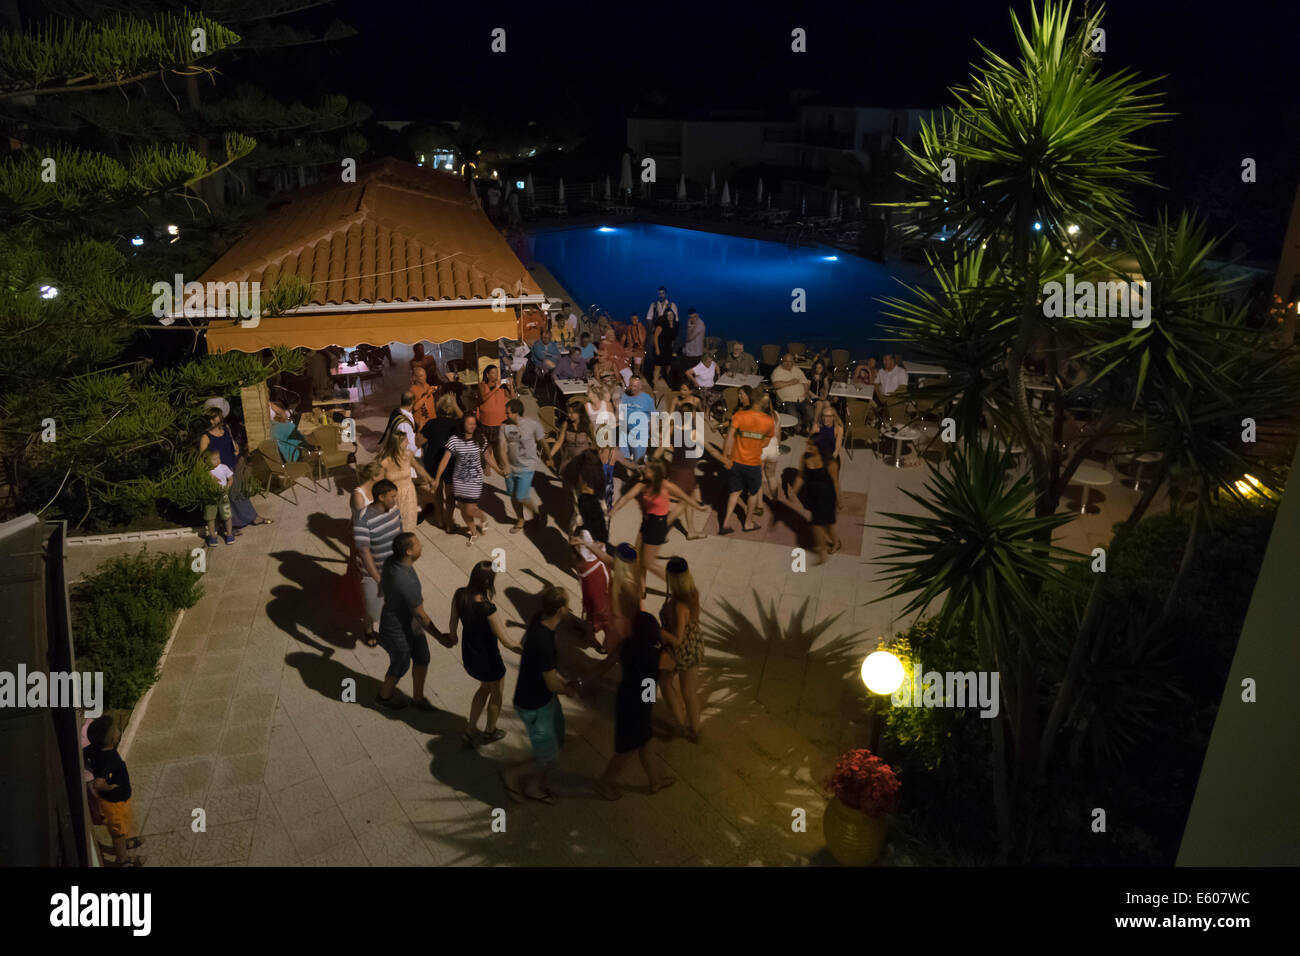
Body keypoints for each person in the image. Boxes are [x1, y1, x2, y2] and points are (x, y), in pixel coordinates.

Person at [500, 586, 581, 805]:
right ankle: (518, 779)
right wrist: (567, 688)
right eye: (567, 604)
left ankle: (539, 770)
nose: (569, 608)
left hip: (542, 698)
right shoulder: (543, 642)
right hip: (535, 704)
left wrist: (560, 682)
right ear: (561, 611)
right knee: (548, 758)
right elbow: (550, 681)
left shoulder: (540, 620)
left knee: (558, 735)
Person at [590, 610, 676, 800]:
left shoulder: (626, 645)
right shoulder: (659, 656)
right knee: (627, 750)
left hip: (626, 697)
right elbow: (669, 664)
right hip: (641, 704)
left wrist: (585, 680)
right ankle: (603, 783)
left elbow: (605, 666)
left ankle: (655, 782)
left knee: (646, 743)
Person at [449, 562, 521, 746]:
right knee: (496, 692)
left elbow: (453, 621)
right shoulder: (488, 609)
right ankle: (490, 731)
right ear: (488, 582)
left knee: (484, 688)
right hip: (488, 658)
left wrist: (453, 636)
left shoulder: (459, 595)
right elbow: (505, 641)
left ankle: (470, 731)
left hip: (470, 654)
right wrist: (526, 651)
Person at [375, 532, 446, 711]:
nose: (421, 546)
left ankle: (418, 698)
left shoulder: (393, 560)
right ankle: (384, 698)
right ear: (408, 552)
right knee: (401, 662)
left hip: (410, 623)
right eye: (418, 545)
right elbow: (422, 616)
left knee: (422, 657)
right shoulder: (405, 582)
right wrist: (441, 637)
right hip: (396, 628)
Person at [611, 459, 706, 588]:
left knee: (649, 563)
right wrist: (613, 510)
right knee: (638, 557)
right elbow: (626, 497)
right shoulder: (642, 484)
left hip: (657, 526)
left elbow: (685, 498)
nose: (644, 469)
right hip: (646, 522)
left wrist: (700, 508)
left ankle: (678, 586)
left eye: (648, 469)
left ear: (655, 473)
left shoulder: (665, 485)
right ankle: (641, 588)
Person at [198, 408, 272, 531]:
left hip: (233, 465)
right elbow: (202, 458)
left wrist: (239, 456)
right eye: (218, 417)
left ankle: (252, 517)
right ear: (211, 420)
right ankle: (231, 526)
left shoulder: (226, 429)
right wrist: (210, 474)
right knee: (227, 498)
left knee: (239, 493)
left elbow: (233, 445)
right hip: (219, 471)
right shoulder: (206, 437)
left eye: (221, 416)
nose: (221, 418)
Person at [84, 715, 144, 865]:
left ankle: (123, 844)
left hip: (118, 800)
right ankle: (122, 858)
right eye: (116, 729)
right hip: (114, 802)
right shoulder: (108, 758)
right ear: (112, 738)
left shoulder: (96, 749)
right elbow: (98, 783)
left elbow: (83, 754)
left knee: (121, 827)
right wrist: (109, 787)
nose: (118, 730)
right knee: (118, 831)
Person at [658, 556, 705, 742]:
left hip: (681, 651)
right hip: (693, 645)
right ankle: (692, 728)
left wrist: (659, 631)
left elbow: (677, 640)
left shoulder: (679, 606)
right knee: (684, 689)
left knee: (673, 686)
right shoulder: (692, 592)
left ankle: (685, 727)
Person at [352, 478, 403, 647]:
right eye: (392, 496)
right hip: (372, 574)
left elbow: (399, 536)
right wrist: (379, 580)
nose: (395, 500)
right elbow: (364, 554)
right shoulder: (363, 519)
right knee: (373, 611)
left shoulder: (394, 510)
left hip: (393, 569)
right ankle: (368, 629)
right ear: (381, 497)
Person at [720, 386, 774, 534]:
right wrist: (757, 444)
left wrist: (725, 456)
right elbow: (768, 440)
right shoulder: (768, 421)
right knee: (753, 493)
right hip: (753, 463)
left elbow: (729, 437)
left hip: (736, 461)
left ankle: (725, 523)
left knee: (735, 492)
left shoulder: (739, 415)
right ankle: (748, 523)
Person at [433, 414, 494, 545]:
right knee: (463, 510)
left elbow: (487, 457)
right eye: (469, 424)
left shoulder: (480, 439)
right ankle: (474, 533)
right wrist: (437, 478)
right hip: (459, 479)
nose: (472, 426)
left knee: (470, 509)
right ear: (463, 425)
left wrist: (499, 470)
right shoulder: (454, 440)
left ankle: (482, 517)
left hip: (475, 479)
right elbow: (444, 461)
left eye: (474, 424)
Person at [657, 406, 709, 540]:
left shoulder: (674, 428)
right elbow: (706, 449)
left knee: (688, 498)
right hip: (684, 472)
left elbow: (663, 447)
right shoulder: (692, 431)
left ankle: (691, 531)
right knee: (685, 501)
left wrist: (652, 461)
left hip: (676, 469)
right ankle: (660, 531)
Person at [499, 399, 546, 534]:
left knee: (521, 496)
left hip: (526, 466)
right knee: (513, 496)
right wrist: (506, 465)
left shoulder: (532, 425)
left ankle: (537, 514)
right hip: (511, 467)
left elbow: (542, 441)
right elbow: (502, 447)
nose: (505, 415)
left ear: (516, 413)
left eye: (508, 413)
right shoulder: (504, 426)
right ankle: (520, 519)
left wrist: (548, 456)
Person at [789, 443, 841, 564]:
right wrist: (794, 491)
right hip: (813, 497)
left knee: (826, 525)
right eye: (807, 444)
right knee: (818, 524)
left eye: (812, 445)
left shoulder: (830, 462)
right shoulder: (805, 458)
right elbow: (801, 476)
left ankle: (833, 544)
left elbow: (835, 483)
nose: (808, 447)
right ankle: (824, 548)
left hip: (827, 497)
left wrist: (840, 501)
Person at [377, 426, 434, 533]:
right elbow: (377, 483)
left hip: (409, 494)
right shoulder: (385, 461)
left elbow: (419, 468)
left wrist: (430, 480)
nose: (408, 443)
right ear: (397, 443)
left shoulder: (408, 455)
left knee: (408, 523)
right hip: (392, 496)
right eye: (405, 441)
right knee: (393, 525)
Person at [419, 393, 462, 533]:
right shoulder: (457, 425)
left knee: (437, 492)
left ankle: (440, 520)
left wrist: (420, 427)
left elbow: (419, 441)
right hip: (450, 463)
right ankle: (449, 523)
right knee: (450, 495)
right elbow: (466, 422)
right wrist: (456, 406)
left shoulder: (431, 423)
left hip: (433, 461)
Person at [569, 529, 614, 654]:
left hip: (593, 593)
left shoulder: (582, 561)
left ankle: (590, 634)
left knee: (591, 614)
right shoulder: (595, 564)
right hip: (600, 596)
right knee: (607, 623)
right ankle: (605, 645)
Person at [475, 363, 511, 474]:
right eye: (493, 373)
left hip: (500, 421)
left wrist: (511, 388)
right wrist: (496, 388)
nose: (496, 375)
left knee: (500, 445)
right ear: (487, 374)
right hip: (486, 421)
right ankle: (487, 466)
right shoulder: (482, 385)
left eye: (497, 372)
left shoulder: (502, 386)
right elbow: (484, 398)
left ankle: (501, 464)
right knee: (487, 445)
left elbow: (512, 399)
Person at [548, 401, 595, 480]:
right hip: (569, 459)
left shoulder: (588, 424)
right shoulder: (566, 424)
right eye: (568, 412)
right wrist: (549, 456)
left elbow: (594, 441)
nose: (569, 415)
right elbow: (559, 442)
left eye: (572, 413)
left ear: (579, 413)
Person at [754, 390, 783, 517]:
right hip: (773, 447)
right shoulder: (776, 415)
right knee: (771, 476)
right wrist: (777, 448)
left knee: (759, 478)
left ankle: (759, 506)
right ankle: (775, 501)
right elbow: (778, 435)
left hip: (760, 449)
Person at [771, 353, 813, 433]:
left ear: (793, 362)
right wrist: (791, 382)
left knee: (811, 414)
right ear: (782, 362)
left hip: (801, 398)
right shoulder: (777, 371)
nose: (787, 363)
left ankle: (804, 426)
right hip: (788, 400)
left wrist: (806, 392)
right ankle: (800, 429)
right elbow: (775, 385)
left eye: (790, 361)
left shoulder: (797, 369)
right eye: (785, 361)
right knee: (794, 419)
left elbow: (806, 382)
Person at [619, 374, 656, 464]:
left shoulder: (647, 399)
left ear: (641, 386)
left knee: (638, 461)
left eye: (635, 386)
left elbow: (654, 416)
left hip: (640, 434)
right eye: (631, 385)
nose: (632, 388)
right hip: (625, 432)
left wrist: (652, 432)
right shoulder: (625, 396)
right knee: (624, 459)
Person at [203, 448, 236, 546]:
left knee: (227, 515)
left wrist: (227, 487)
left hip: (223, 495)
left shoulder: (224, 467)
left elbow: (230, 478)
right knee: (210, 517)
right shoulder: (205, 470)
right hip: (210, 496)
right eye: (214, 459)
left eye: (218, 458)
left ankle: (229, 534)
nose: (218, 460)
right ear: (207, 461)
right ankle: (213, 536)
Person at [812, 401, 845, 494]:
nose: (826, 419)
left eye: (829, 416)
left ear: (834, 417)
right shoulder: (817, 427)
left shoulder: (838, 428)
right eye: (824, 416)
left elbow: (837, 450)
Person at [410, 366, 437, 431]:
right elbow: (414, 407)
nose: (425, 377)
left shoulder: (426, 385)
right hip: (422, 424)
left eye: (425, 375)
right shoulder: (412, 391)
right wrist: (427, 394)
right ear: (415, 378)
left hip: (432, 420)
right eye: (422, 376)